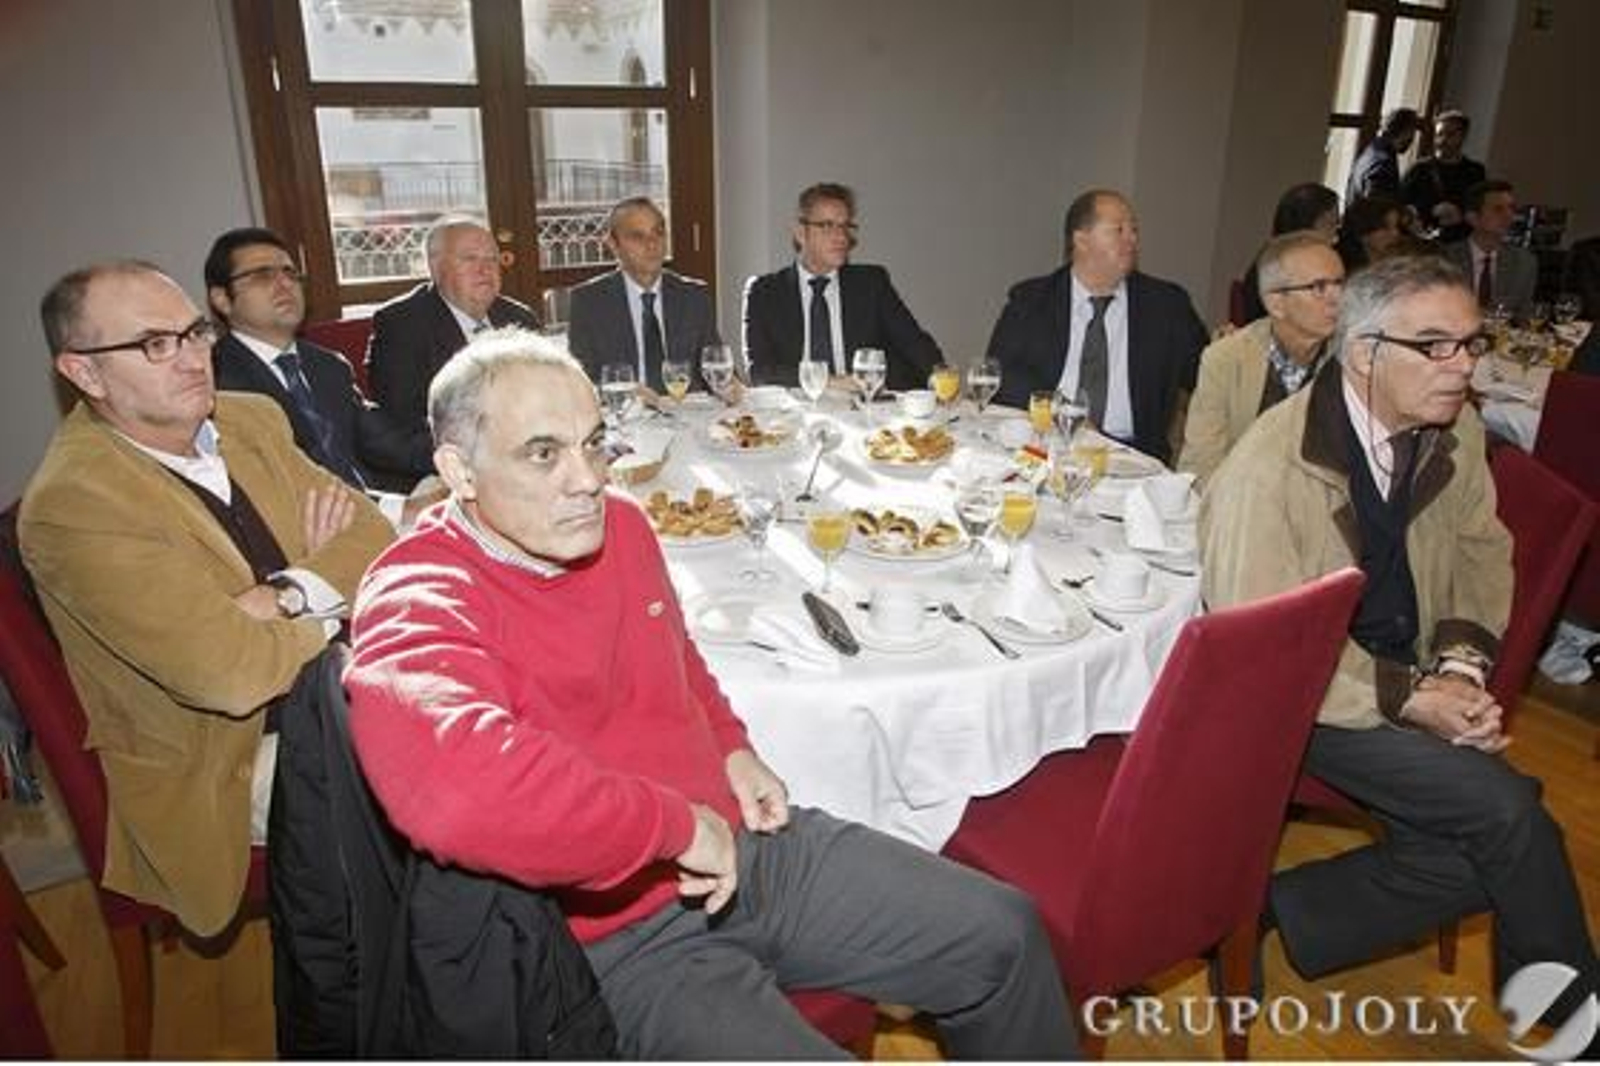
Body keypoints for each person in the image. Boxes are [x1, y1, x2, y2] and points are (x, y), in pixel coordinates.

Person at [343, 331, 1078, 1059]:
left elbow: (677, 655)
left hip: (745, 848)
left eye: (594, 443)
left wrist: (730, 746)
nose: (588, 479)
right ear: (458, 470)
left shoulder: (621, 527)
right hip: (614, 932)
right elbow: (461, 790)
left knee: (1004, 933)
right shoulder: (420, 589)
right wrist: (670, 828)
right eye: (544, 453)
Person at [1199, 254, 1600, 1042]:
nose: (1464, 367)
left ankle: (1268, 910)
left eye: (1471, 343)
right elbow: (1265, 653)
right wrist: (1411, 698)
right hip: (1310, 698)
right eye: (1436, 346)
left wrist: (1457, 665)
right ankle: (1577, 1023)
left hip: (1411, 668)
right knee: (1510, 813)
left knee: (1480, 850)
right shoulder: (1266, 473)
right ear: (1364, 354)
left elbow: (1484, 552)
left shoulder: (1453, 429)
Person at [19, 261, 392, 936]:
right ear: (84, 374)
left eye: (194, 332)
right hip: (228, 754)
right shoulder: (74, 503)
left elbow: (372, 535)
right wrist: (324, 593)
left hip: (341, 682)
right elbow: (230, 676)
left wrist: (277, 595)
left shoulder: (250, 420)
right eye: (154, 344)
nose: (192, 358)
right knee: (443, 776)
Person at [204, 227, 437, 524]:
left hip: (374, 507)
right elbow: (287, 488)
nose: (284, 284)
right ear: (222, 299)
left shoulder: (327, 365)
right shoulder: (217, 384)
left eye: (290, 273)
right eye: (262, 275)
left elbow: (386, 440)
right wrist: (401, 510)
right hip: (310, 533)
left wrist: (467, 454)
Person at [987, 188, 1208, 465]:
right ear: (1081, 240)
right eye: (1119, 230)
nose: (1132, 239)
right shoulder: (1032, 300)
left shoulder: (1166, 305)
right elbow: (1000, 375)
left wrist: (1227, 356)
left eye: (1134, 230)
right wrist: (1062, 411)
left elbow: (1205, 376)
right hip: (1047, 445)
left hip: (1132, 457)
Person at [363, 218, 538, 488]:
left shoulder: (519, 317)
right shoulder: (402, 324)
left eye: (492, 260)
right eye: (470, 259)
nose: (485, 269)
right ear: (435, 267)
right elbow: (404, 419)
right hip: (452, 466)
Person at [742, 182, 942, 393]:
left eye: (845, 226)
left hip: (864, 412)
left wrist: (941, 380)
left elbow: (913, 343)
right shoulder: (764, 292)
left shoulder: (872, 283)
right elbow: (760, 372)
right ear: (801, 233)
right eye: (827, 225)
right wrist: (829, 382)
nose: (841, 237)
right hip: (793, 413)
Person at [1179, 231, 1344, 482]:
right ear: (1276, 303)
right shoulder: (1227, 359)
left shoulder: (1357, 361)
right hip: (1239, 503)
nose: (1337, 299)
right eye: (1319, 287)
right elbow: (1200, 464)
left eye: (1340, 283)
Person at [567, 197, 720, 392]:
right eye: (638, 236)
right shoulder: (589, 302)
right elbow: (581, 382)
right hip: (624, 415)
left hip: (686, 413)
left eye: (658, 232)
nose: (652, 244)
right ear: (613, 245)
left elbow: (715, 365)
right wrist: (627, 391)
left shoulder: (694, 296)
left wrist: (728, 387)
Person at [1236, 183, 1341, 324]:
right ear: (1306, 227)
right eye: (1331, 224)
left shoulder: (1272, 256)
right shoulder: (1289, 268)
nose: (1335, 237)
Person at [1442, 180, 1538, 315]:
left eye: (1511, 208)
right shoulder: (1444, 259)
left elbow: (1524, 317)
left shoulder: (1524, 262)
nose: (1509, 216)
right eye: (1498, 209)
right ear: (1473, 218)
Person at [1401, 110, 1486, 244]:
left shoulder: (1475, 172)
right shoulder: (1419, 169)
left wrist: (1461, 215)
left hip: (1459, 244)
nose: (1442, 140)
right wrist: (1429, 211)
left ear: (1463, 136)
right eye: (1439, 134)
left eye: (1450, 134)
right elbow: (1400, 206)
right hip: (1422, 243)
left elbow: (1481, 209)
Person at [1344, 107, 1419, 207]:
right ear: (1407, 132)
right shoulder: (1383, 162)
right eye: (1412, 132)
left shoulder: (1371, 152)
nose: (1413, 139)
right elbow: (1377, 208)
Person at [1335, 194, 1404, 274]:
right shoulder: (1340, 266)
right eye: (1385, 227)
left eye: (1396, 226)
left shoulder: (1400, 262)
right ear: (1363, 230)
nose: (1396, 233)